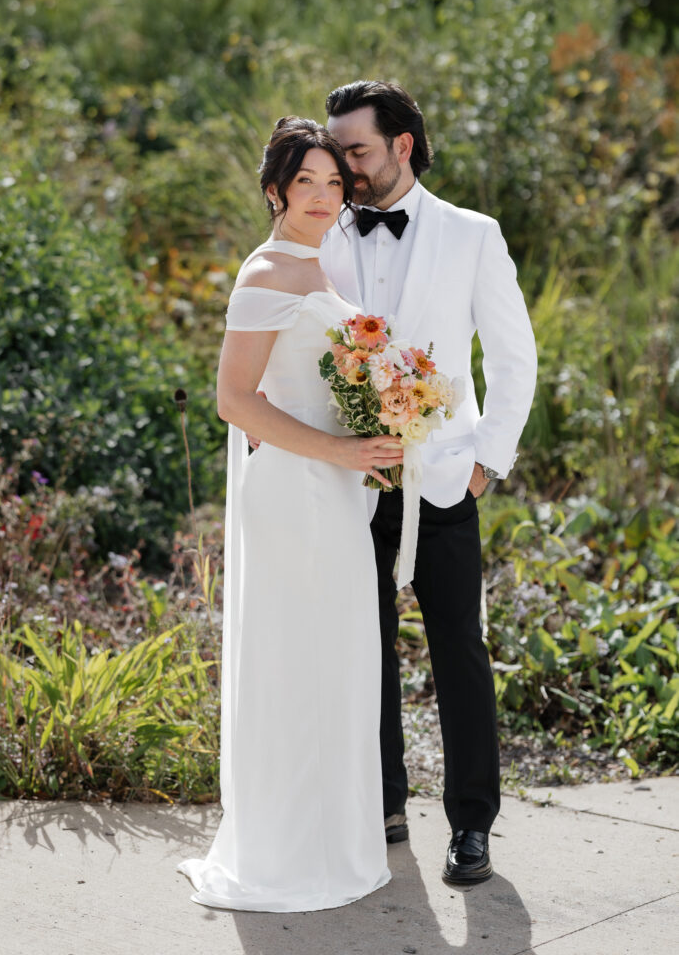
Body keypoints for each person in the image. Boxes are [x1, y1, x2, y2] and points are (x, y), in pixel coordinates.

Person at [176, 116, 402, 912]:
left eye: (333, 183)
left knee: (334, 662)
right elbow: (233, 400)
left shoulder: (317, 266)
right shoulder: (266, 272)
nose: (320, 196)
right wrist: (341, 452)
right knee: (295, 663)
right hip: (295, 493)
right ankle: (283, 854)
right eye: (305, 182)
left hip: (334, 492)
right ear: (275, 190)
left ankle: (329, 843)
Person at [320, 80, 538, 884]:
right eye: (339, 150)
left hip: (446, 480)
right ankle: (380, 804)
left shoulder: (472, 234)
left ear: (401, 145)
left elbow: (515, 358)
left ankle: (471, 825)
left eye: (357, 150)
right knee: (361, 648)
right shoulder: (323, 231)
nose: (344, 166)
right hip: (348, 484)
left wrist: (487, 460)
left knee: (459, 652)